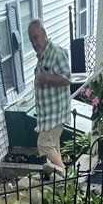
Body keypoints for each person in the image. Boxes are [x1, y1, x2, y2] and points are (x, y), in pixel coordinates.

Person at [27, 19, 71, 176]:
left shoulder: (56, 54)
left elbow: (67, 78)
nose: (34, 42)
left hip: (56, 114)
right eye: (31, 39)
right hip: (47, 116)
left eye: (36, 37)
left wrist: (48, 79)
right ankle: (60, 183)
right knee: (54, 148)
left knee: (44, 144)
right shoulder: (42, 58)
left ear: (44, 34)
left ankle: (67, 179)